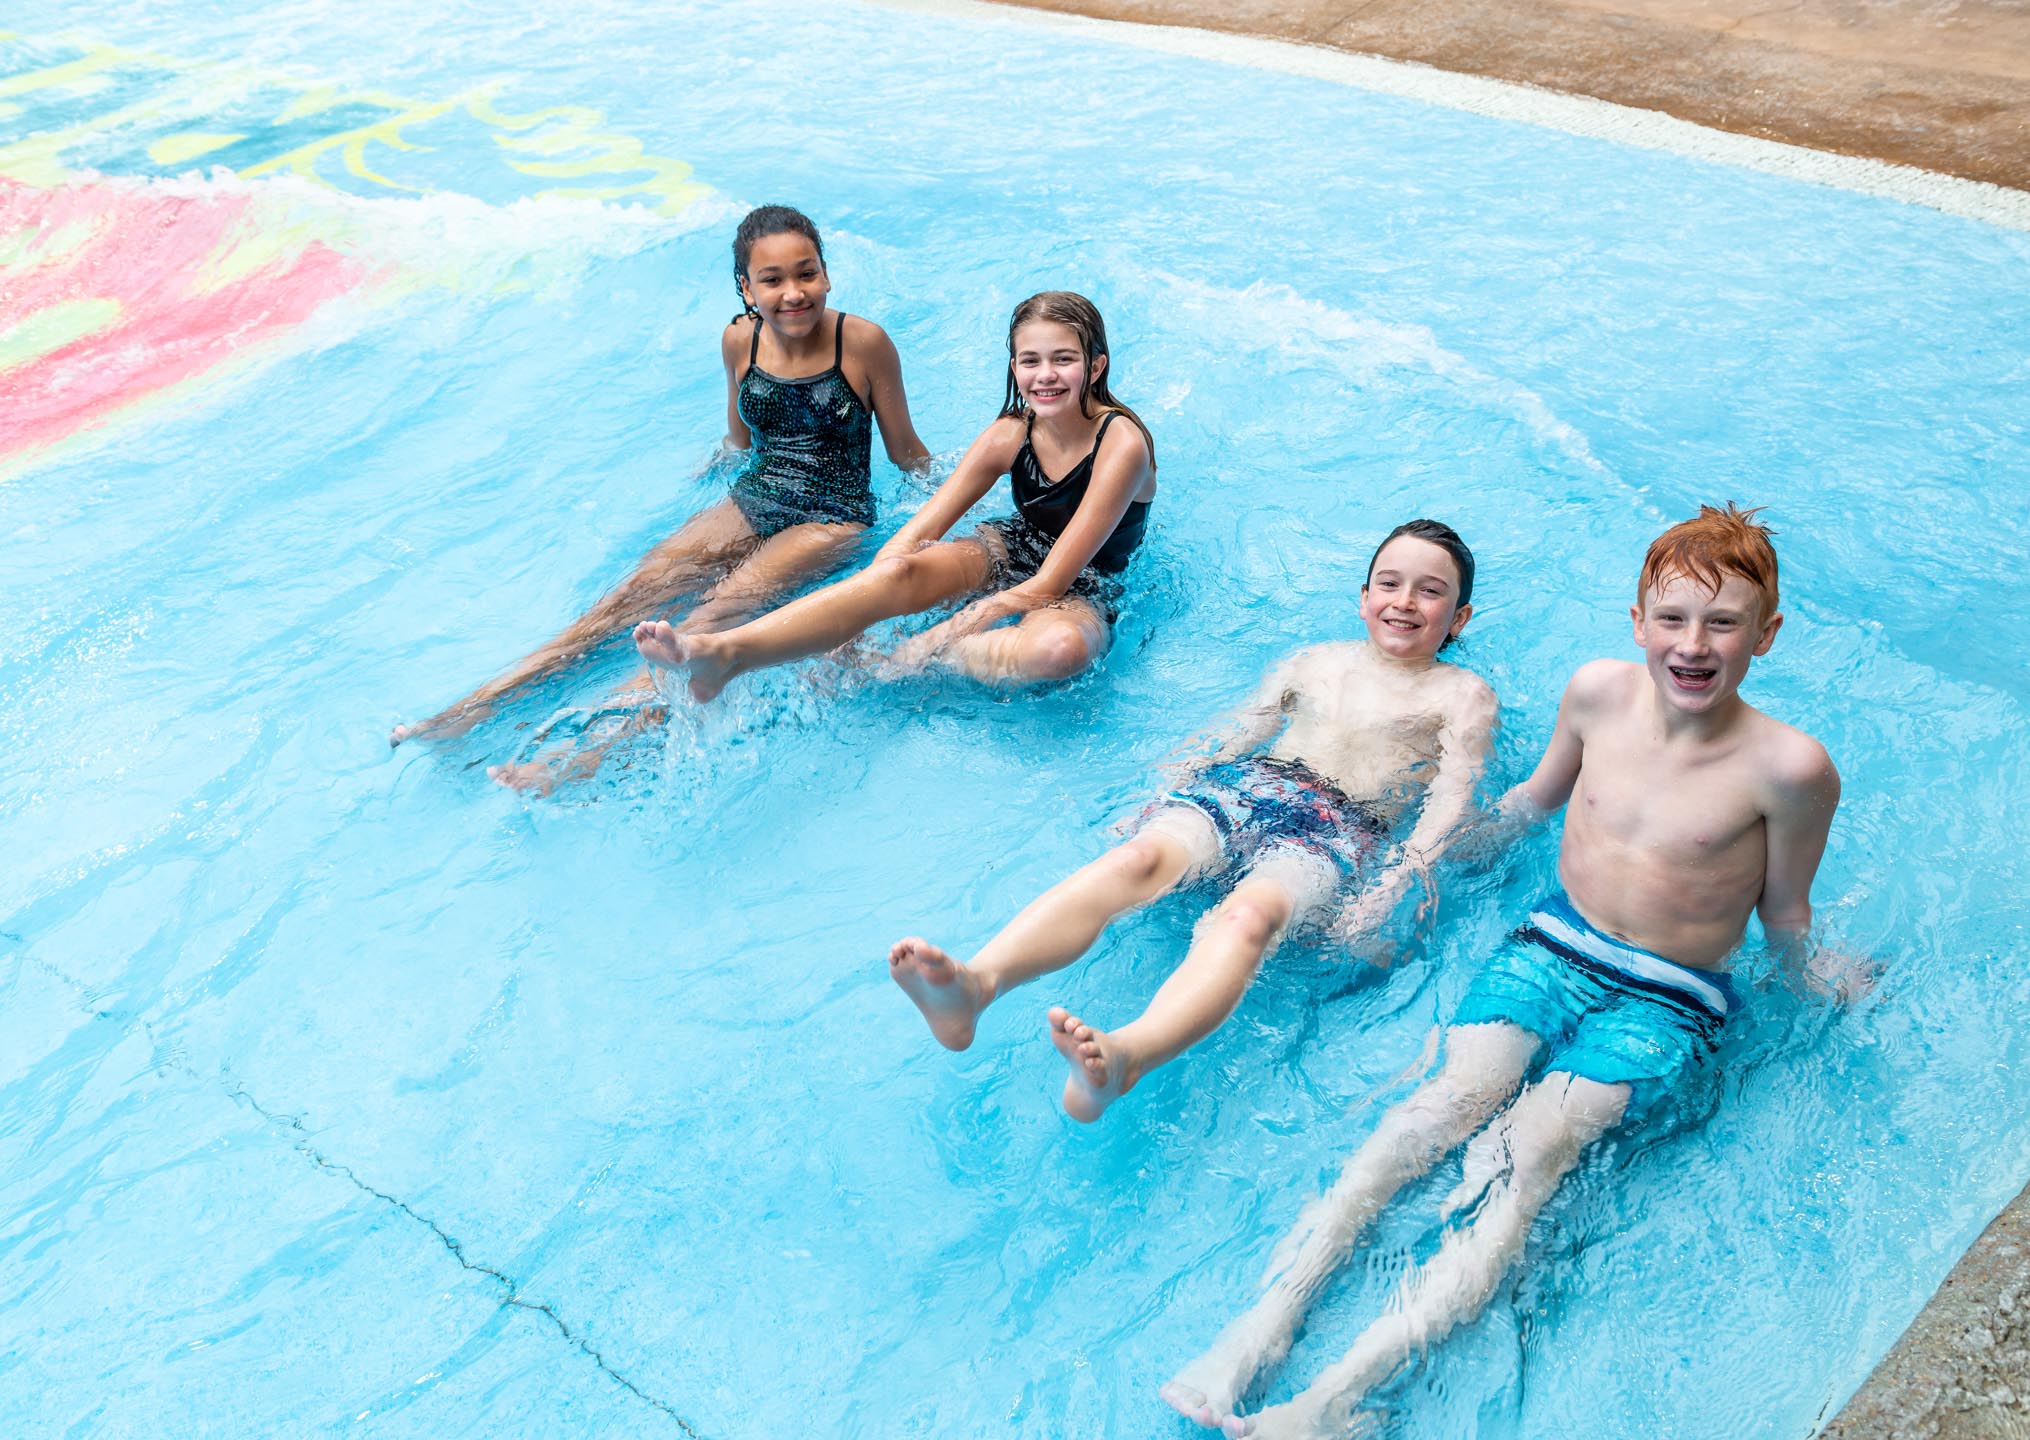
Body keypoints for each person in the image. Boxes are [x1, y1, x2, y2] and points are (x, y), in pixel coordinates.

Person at [1161, 505, 1843, 1440]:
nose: (1693, 645)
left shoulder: (1788, 768)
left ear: (1765, 633)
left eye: (1723, 623)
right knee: (1424, 1116)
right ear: (1637, 619)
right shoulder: (1596, 695)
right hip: (1550, 944)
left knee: (1519, 1157)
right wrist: (1418, 860)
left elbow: (1782, 911)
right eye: (1672, 619)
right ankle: (1258, 1326)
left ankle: (1334, 1397)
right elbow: (1534, 800)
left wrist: (1813, 971)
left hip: (1664, 995)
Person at [890, 521, 1495, 1121]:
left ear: (1458, 619)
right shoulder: (1316, 661)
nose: (1405, 601)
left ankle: (1128, 1055)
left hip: (1339, 827)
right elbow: (1237, 731)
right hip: (1248, 786)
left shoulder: (1461, 694)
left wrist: (1393, 885)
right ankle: (977, 986)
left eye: (1430, 591)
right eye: (1389, 583)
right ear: (1363, 598)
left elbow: (1450, 801)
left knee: (1250, 916)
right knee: (1136, 860)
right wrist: (1160, 792)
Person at [389, 204, 931, 770]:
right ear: (747, 287)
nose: (794, 292)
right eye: (773, 280)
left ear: (826, 274)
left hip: (832, 516)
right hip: (758, 495)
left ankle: (573, 758)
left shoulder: (863, 343)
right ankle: (466, 715)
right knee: (611, 611)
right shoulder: (738, 341)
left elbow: (905, 453)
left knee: (700, 626)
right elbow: (740, 438)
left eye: (807, 273)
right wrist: (713, 464)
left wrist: (945, 508)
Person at [633, 290, 1155, 702]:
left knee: (1059, 650)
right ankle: (723, 654)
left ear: (1096, 366)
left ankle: (897, 668)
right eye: (1030, 360)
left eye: (1062, 359)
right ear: (1014, 366)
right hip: (1008, 549)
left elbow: (1051, 583)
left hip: (1082, 584)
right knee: (899, 571)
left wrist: (931, 639)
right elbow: (915, 535)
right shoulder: (1009, 434)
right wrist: (864, 608)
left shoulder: (1121, 443)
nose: (1044, 376)